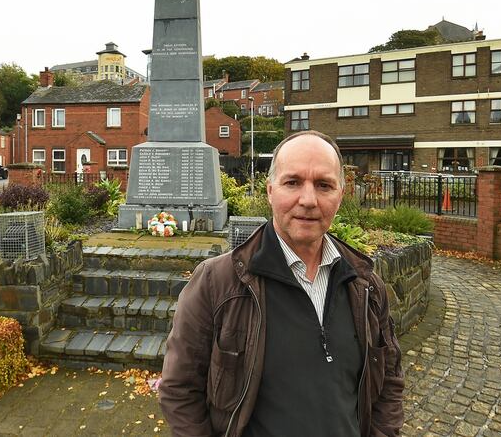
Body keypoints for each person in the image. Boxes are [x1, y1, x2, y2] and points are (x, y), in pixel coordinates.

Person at [159, 131, 404, 436]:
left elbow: (390, 381)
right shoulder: (216, 283)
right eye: (293, 182)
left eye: (324, 185)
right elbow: (179, 389)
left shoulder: (367, 285)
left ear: (341, 195)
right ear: (270, 190)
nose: (308, 200)